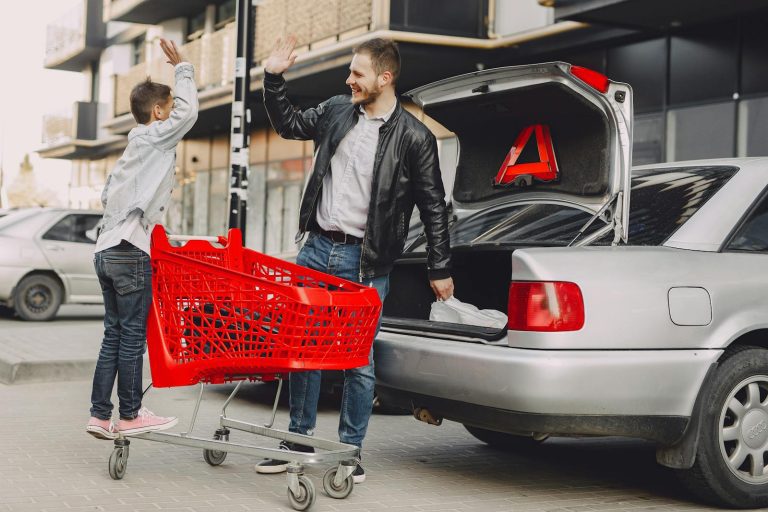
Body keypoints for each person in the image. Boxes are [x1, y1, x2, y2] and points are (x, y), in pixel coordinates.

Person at [256, 36, 454, 483]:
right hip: (314, 249)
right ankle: (299, 439)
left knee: (357, 360)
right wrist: (273, 78)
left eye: (357, 73)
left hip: (364, 261)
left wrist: (439, 268)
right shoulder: (335, 111)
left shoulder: (415, 138)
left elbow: (434, 206)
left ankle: (349, 451)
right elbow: (288, 125)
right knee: (303, 351)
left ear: (385, 78)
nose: (349, 79)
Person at [85, 39, 199, 440]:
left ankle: (100, 416)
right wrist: (183, 67)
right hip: (129, 250)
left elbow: (105, 197)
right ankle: (131, 415)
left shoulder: (131, 148)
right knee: (132, 335)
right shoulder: (155, 137)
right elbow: (187, 114)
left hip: (104, 249)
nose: (171, 118)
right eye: (166, 111)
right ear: (157, 112)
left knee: (113, 334)